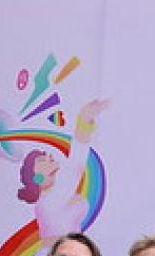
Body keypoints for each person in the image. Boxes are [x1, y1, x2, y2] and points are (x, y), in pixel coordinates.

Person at [17, 99, 109, 241]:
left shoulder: (55, 195)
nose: (48, 155)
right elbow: (75, 165)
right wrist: (84, 121)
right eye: (42, 160)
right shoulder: (48, 203)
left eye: (45, 155)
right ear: (36, 177)